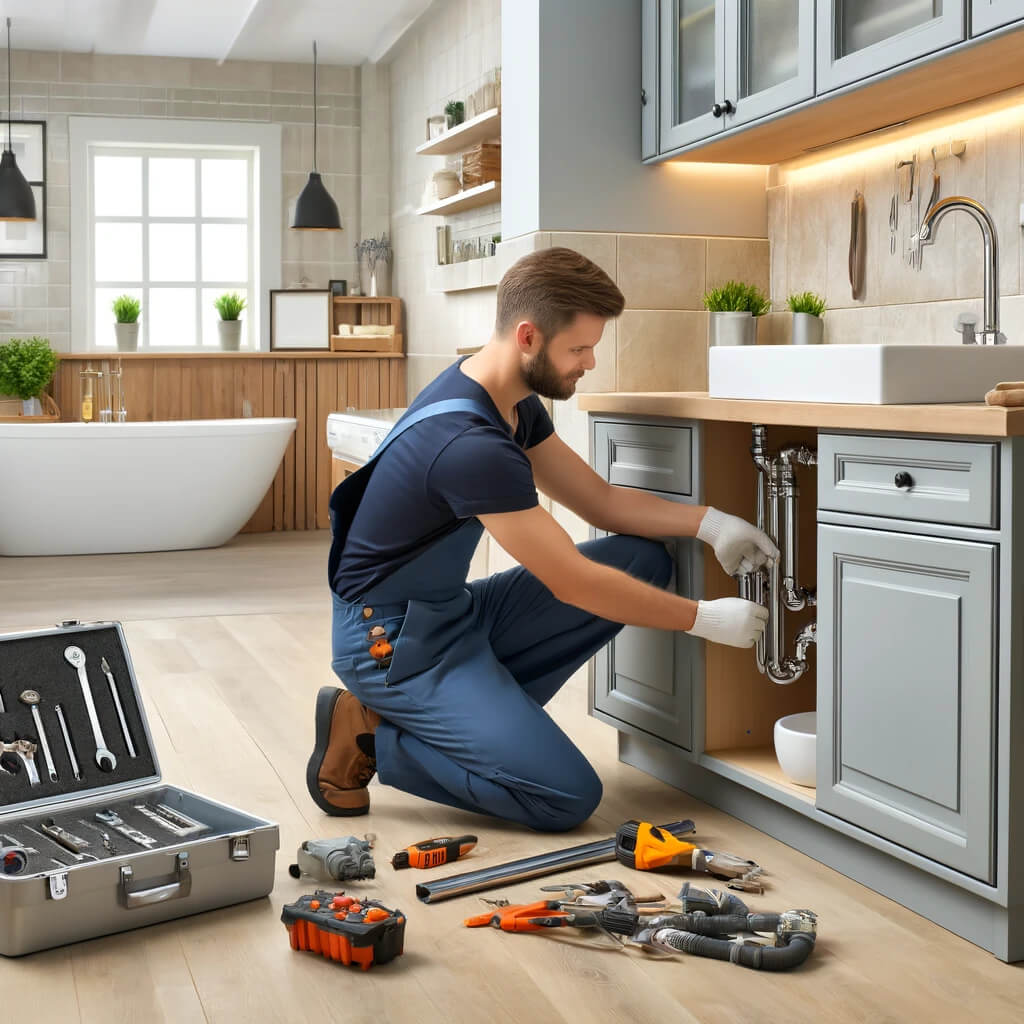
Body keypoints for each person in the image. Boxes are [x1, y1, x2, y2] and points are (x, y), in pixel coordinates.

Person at [307, 247, 776, 832]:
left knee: (640, 561)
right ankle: (375, 733)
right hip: (391, 643)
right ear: (528, 337)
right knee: (566, 796)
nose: (591, 362)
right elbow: (572, 581)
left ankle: (480, 720)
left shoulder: (507, 401)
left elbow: (599, 502)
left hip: (452, 615)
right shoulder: (469, 445)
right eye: (579, 349)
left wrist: (710, 523)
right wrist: (701, 618)